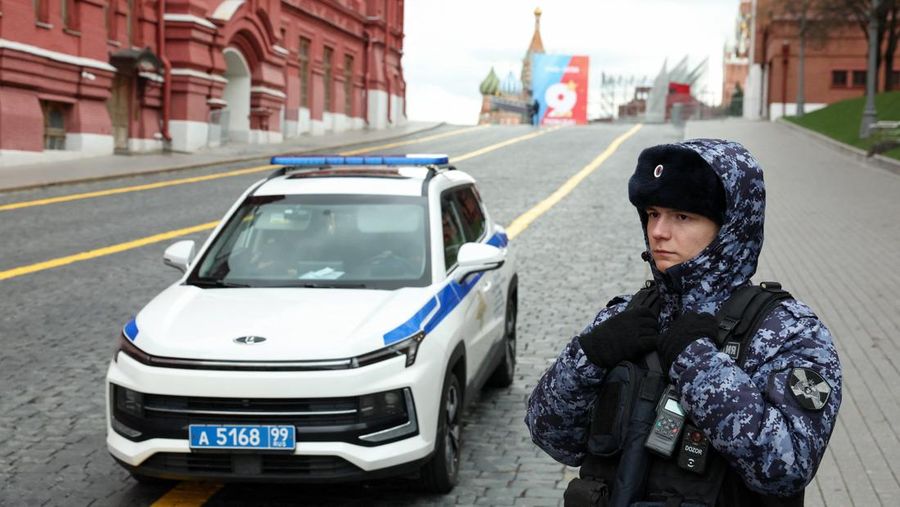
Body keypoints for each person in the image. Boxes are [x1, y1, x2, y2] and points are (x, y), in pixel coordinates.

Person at [525, 139, 842, 506]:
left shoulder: (789, 332)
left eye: (682, 216)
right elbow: (552, 437)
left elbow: (786, 466)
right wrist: (589, 357)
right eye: (653, 213)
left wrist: (697, 363)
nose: (658, 231)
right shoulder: (627, 315)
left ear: (730, 228)